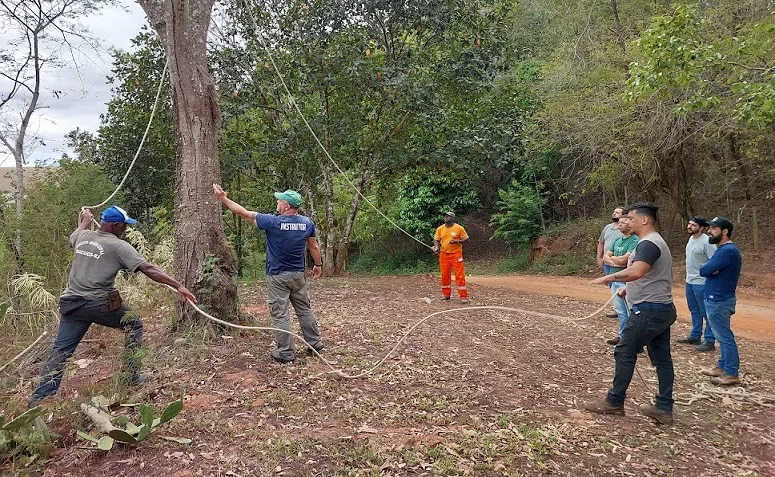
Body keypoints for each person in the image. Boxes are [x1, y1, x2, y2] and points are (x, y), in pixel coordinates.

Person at [29, 206, 196, 407]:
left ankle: (40, 398)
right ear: (116, 225)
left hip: (71, 304)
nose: (125, 229)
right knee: (134, 324)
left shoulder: (83, 236)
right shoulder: (119, 246)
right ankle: (130, 376)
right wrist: (178, 285)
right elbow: (148, 268)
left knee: (61, 350)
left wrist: (85, 220)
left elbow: (75, 234)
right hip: (98, 304)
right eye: (124, 226)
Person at [585, 203, 676, 425]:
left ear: (644, 220)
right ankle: (664, 408)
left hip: (649, 311)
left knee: (625, 350)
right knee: (662, 359)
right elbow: (649, 274)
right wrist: (628, 289)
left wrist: (609, 278)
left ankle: (614, 402)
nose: (627, 222)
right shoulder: (654, 242)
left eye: (631, 218)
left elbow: (637, 272)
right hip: (661, 309)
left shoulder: (648, 244)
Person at [213, 184, 324, 363]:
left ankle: (286, 352)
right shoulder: (306, 223)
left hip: (278, 276)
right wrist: (318, 264)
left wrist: (223, 198)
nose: (278, 203)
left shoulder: (273, 222)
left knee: (280, 314)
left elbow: (244, 213)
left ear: (287, 206)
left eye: (280, 201)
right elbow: (313, 246)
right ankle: (315, 344)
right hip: (298, 275)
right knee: (304, 309)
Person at [700, 216, 742, 386]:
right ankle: (722, 367)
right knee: (721, 334)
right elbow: (709, 270)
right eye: (710, 228)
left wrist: (710, 269)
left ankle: (731, 372)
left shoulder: (727, 251)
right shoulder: (723, 250)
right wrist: (711, 270)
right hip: (717, 297)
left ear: (725, 232)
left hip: (719, 299)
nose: (710, 231)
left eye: (714, 229)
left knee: (724, 336)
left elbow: (704, 270)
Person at [676, 216, 717, 351]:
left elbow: (714, 261)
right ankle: (695, 335)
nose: (689, 226)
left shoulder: (707, 242)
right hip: (690, 280)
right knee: (694, 310)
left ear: (701, 227)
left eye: (693, 225)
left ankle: (709, 340)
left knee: (705, 311)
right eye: (689, 224)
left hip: (702, 282)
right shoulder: (691, 239)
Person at [602, 208, 639, 345]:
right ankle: (623, 336)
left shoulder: (635, 240)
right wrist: (614, 260)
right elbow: (606, 257)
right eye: (619, 222)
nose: (619, 225)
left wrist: (613, 259)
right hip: (614, 279)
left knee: (631, 311)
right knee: (621, 311)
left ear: (629, 225)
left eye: (622, 222)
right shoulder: (617, 239)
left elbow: (625, 260)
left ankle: (634, 339)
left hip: (626, 281)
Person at [432, 212, 470, 304]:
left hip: (456, 254)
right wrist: (436, 247)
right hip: (444, 254)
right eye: (445, 216)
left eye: (448, 216)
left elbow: (466, 239)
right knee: (444, 275)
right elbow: (436, 240)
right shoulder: (440, 228)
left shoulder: (459, 228)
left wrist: (457, 241)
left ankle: (463, 296)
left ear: (453, 218)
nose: (445, 217)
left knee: (459, 275)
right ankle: (446, 295)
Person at [597, 207, 624, 317]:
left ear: (623, 215)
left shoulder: (625, 229)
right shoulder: (607, 228)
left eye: (617, 212)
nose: (614, 213)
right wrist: (599, 257)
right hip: (607, 263)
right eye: (614, 212)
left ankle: (620, 309)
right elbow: (601, 243)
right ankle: (618, 307)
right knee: (612, 286)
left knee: (619, 286)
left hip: (619, 264)